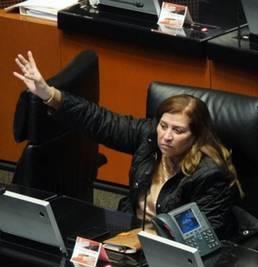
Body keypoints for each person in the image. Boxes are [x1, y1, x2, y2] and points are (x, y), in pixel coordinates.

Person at [13, 51, 241, 238]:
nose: (166, 136)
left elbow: (203, 234)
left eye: (178, 130)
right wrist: (49, 94)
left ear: (196, 136)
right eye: (163, 126)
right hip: (131, 231)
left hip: (172, 249)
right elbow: (99, 121)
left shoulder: (210, 174)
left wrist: (147, 240)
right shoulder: (149, 137)